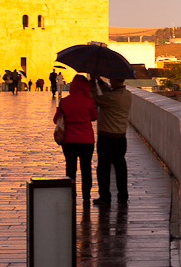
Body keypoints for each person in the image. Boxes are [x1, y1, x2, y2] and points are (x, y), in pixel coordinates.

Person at [91, 76, 132, 204]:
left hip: (107, 136)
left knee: (103, 167)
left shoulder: (112, 97)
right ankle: (123, 194)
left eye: (111, 79)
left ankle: (104, 196)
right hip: (121, 137)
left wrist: (92, 83)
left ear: (115, 80)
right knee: (120, 166)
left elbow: (94, 99)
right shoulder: (127, 94)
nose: (110, 81)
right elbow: (108, 91)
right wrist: (99, 81)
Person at [56, 74, 97, 201]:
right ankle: (86, 196)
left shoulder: (64, 101)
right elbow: (94, 117)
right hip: (86, 140)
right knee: (86, 168)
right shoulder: (89, 101)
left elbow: (56, 119)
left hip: (68, 140)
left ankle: (71, 195)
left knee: (70, 168)